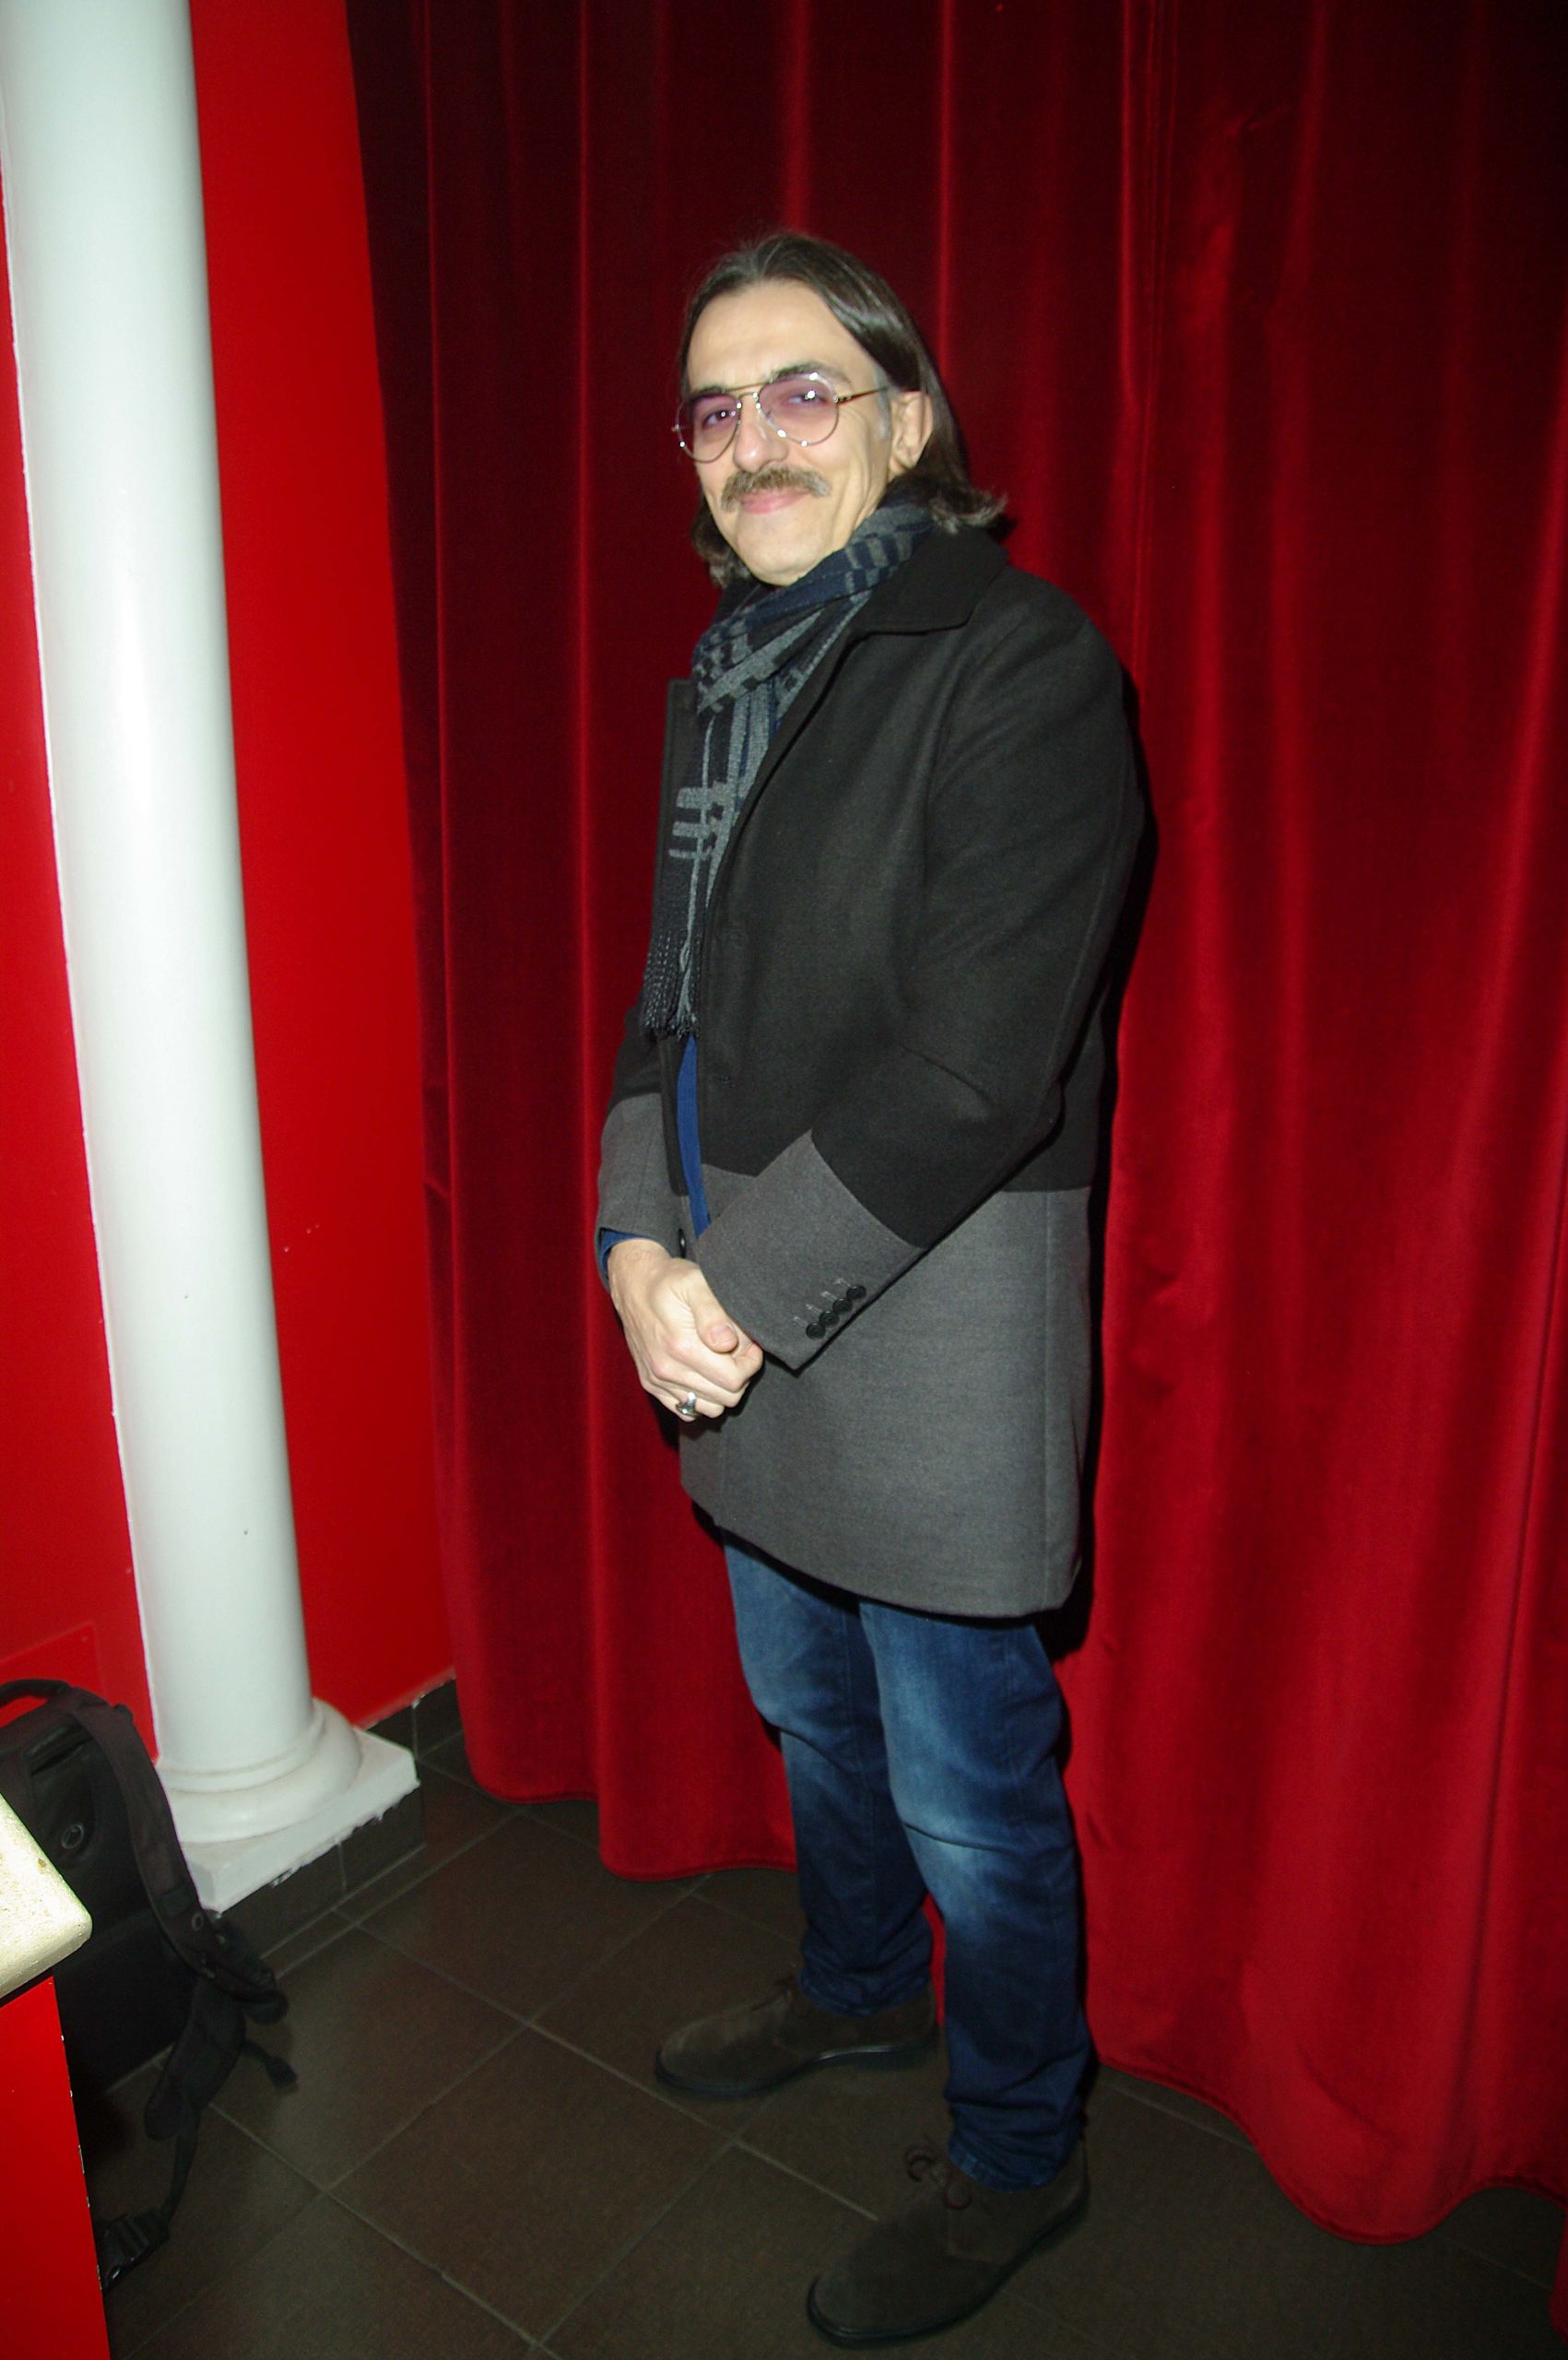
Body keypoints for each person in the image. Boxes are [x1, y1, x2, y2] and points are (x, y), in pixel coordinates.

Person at [596, 230, 1140, 2347]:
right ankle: (849, 1987)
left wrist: (718, 1286)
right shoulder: (723, 680)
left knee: (962, 1788)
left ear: (904, 420)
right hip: (730, 1303)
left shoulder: (1018, 660)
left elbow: (978, 1067)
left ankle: (1017, 2146)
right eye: (714, 408)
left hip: (921, 1313)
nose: (754, 439)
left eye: (802, 389)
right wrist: (631, 1242)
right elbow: (661, 1003)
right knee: (806, 1712)